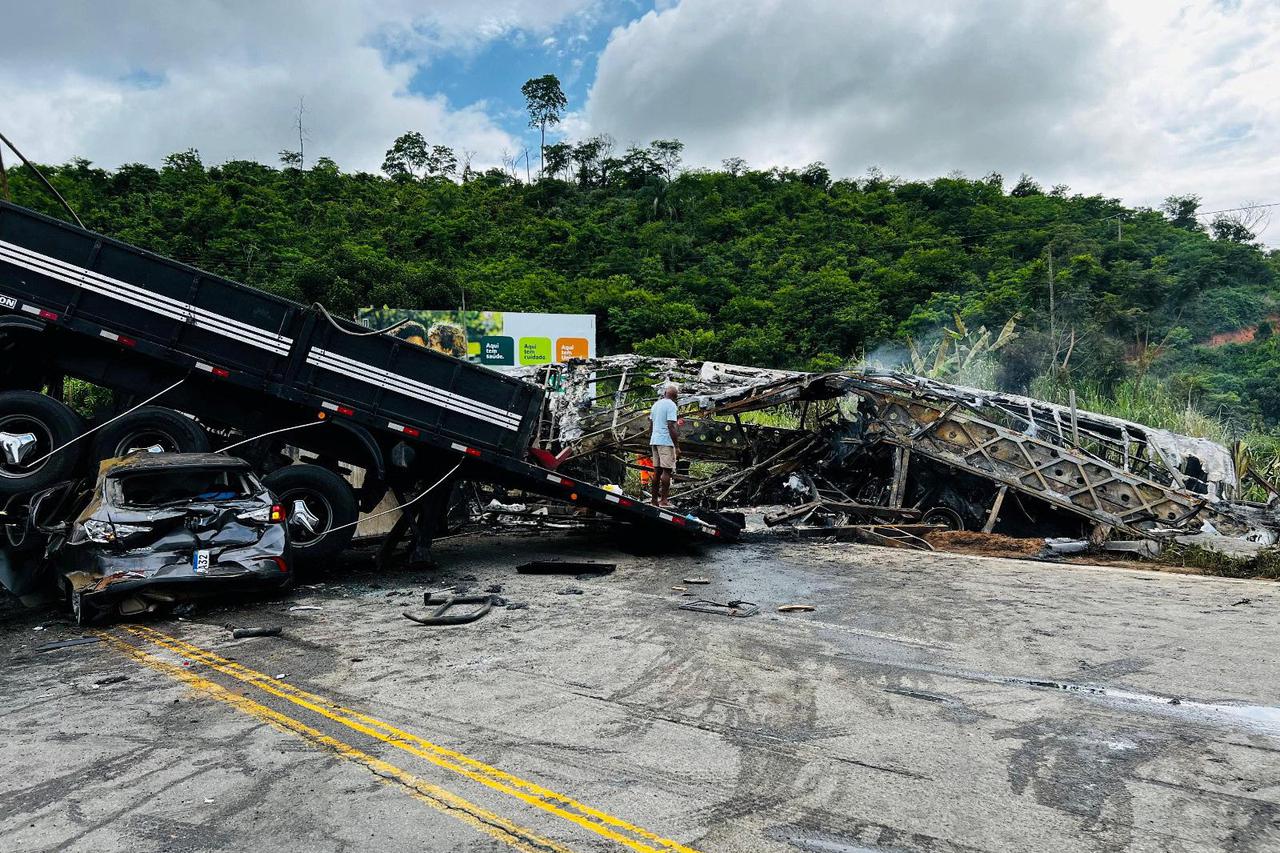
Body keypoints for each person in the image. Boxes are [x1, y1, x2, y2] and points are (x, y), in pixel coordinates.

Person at [648, 383, 680, 506]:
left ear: (665, 393)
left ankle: (654, 500)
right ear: (675, 396)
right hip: (665, 441)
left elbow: (650, 424)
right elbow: (671, 425)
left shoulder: (656, 405)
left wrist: (652, 438)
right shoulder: (671, 405)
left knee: (657, 472)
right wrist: (676, 446)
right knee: (667, 472)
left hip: (655, 440)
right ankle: (664, 500)